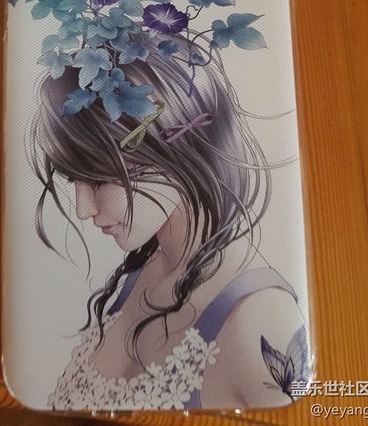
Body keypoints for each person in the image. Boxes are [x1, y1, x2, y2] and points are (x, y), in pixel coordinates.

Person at [30, 36, 309, 411]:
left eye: (98, 179)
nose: (82, 209)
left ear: (172, 147)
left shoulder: (261, 319)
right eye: (74, 179)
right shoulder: (142, 273)